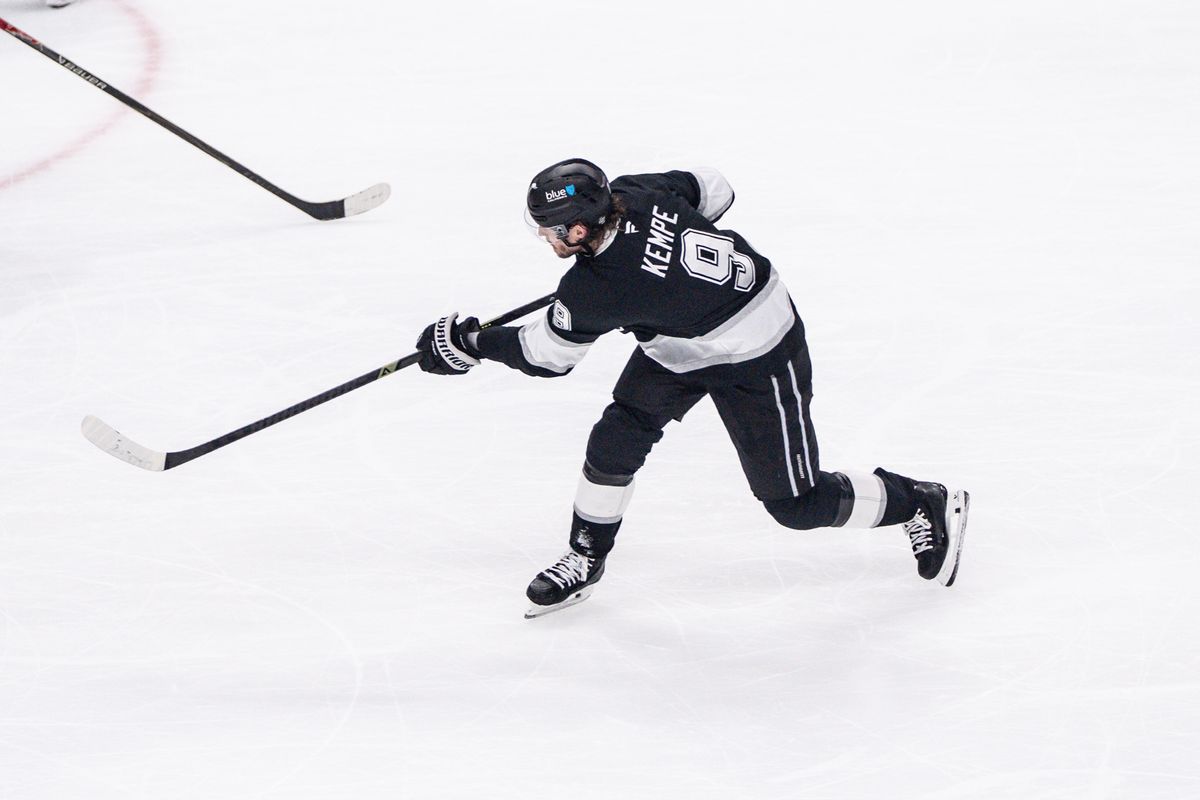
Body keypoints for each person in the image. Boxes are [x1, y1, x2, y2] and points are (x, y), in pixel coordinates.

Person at [415, 159, 970, 618]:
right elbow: (715, 188)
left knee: (796, 504)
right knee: (614, 442)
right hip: (682, 346)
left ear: (581, 228)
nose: (544, 236)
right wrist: (666, 253)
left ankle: (922, 502)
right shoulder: (632, 194)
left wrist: (468, 345)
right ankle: (585, 555)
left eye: (553, 228)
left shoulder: (596, 289)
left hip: (758, 351)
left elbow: (547, 357)